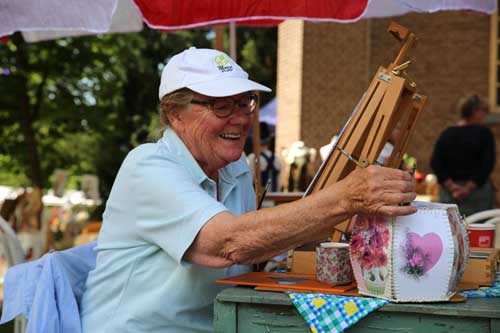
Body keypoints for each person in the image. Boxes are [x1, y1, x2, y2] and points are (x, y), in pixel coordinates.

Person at [80, 47, 416, 333]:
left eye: (245, 103)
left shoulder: (235, 167)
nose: (240, 119)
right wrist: (345, 197)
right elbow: (229, 244)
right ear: (174, 113)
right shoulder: (148, 166)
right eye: (221, 106)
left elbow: (256, 247)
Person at [431, 94, 496, 216]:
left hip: (450, 194)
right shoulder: (484, 134)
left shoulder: (447, 134)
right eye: (484, 110)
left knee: (451, 230)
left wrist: (452, 187)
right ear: (475, 111)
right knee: (479, 229)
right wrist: (467, 188)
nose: (485, 114)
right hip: (478, 194)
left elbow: (436, 163)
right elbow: (487, 164)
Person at [247, 122, 281, 192]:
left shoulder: (253, 158)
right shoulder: (277, 158)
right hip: (275, 198)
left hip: (260, 199)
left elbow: (248, 183)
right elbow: (279, 184)